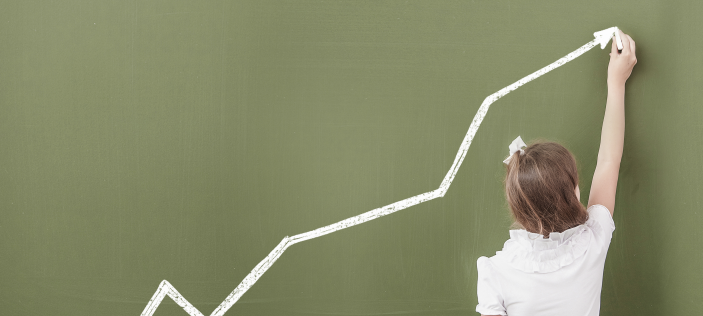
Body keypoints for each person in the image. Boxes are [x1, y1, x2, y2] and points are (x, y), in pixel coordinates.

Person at [476, 29, 637, 316]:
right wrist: (616, 82)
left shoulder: (495, 273)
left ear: (517, 204)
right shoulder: (592, 242)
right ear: (573, 194)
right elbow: (609, 161)